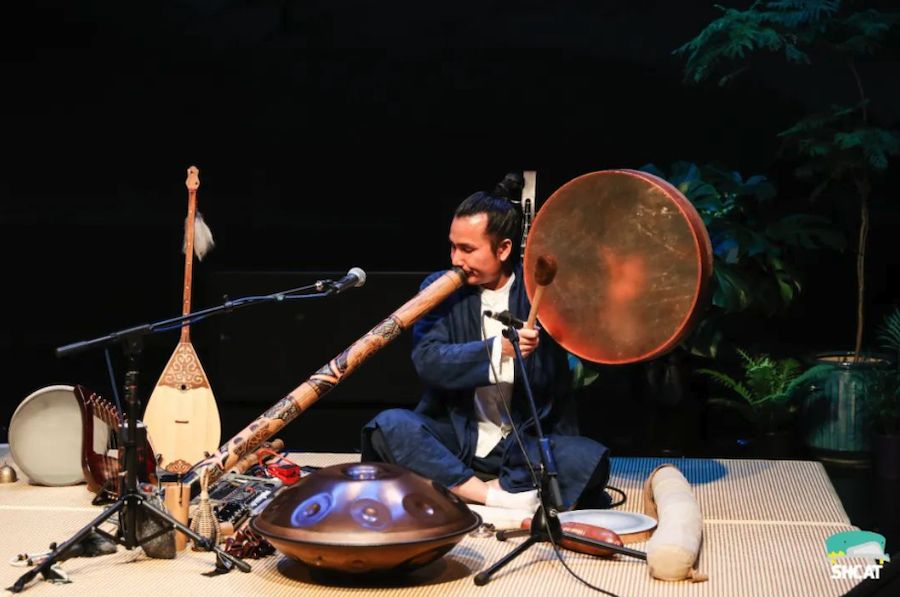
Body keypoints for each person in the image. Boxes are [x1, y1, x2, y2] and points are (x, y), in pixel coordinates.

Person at [361, 173, 611, 511]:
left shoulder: (541, 291)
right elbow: (428, 360)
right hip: (459, 439)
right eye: (453, 246)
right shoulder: (437, 289)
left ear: (503, 249)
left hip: (522, 445)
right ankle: (489, 496)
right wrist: (499, 349)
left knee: (589, 460)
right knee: (390, 426)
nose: (455, 259)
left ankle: (461, 488)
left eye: (467, 249)